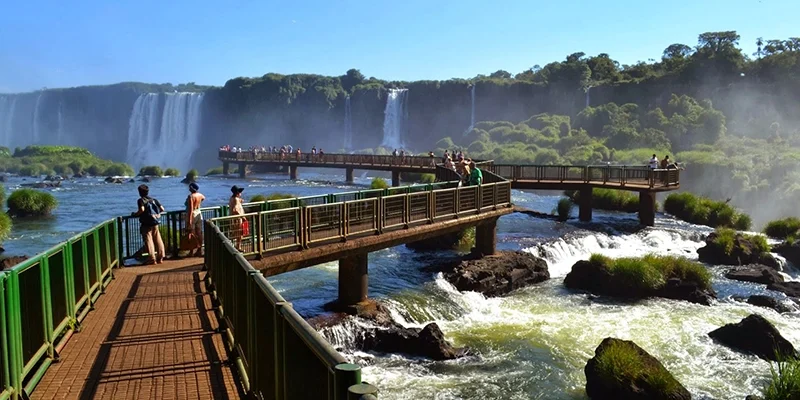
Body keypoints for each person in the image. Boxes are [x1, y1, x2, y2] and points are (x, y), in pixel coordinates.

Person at [131, 184, 165, 265]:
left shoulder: (141, 200)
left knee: (148, 241)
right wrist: (156, 215)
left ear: (140, 192)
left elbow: (142, 209)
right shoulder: (153, 199)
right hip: (155, 222)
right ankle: (160, 257)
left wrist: (135, 214)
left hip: (146, 224)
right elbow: (162, 209)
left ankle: (152, 259)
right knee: (158, 240)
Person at [185, 182, 205, 257]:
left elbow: (190, 209)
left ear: (192, 188)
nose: (189, 188)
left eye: (190, 187)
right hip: (199, 213)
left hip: (192, 214)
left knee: (192, 233)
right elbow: (203, 198)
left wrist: (189, 220)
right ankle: (200, 249)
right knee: (199, 232)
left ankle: (191, 251)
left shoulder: (191, 197)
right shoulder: (200, 195)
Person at [228, 185, 246, 250]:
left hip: (233, 218)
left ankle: (236, 246)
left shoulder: (232, 198)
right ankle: (238, 247)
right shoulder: (236, 199)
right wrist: (242, 217)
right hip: (238, 218)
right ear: (237, 193)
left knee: (235, 233)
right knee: (239, 233)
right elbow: (235, 209)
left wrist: (240, 201)